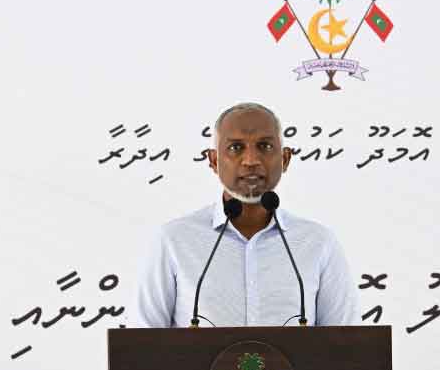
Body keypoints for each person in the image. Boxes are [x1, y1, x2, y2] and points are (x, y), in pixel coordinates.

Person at [132, 101, 360, 328]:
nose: (251, 160)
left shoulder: (318, 243)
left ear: (285, 159)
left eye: (265, 146)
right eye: (235, 148)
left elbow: (345, 342)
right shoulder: (174, 240)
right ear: (213, 161)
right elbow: (142, 339)